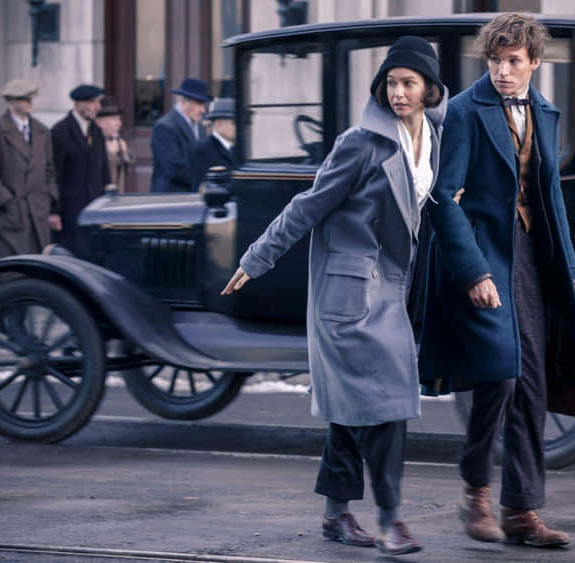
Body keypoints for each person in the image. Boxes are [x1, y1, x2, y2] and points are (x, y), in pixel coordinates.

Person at [221, 36, 447, 556]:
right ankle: (392, 519)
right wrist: (254, 260)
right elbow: (307, 205)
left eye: (409, 83)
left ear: (430, 90)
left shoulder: (432, 135)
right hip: (347, 297)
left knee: (353, 407)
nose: (398, 92)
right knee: (389, 401)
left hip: (393, 290)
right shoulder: (360, 143)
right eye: (391, 82)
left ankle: (335, 514)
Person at [419, 13, 575, 547]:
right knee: (500, 379)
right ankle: (475, 491)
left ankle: (522, 512)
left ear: (534, 61)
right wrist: (472, 270)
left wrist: (572, 272)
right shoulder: (464, 112)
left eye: (513, 60)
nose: (503, 71)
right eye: (495, 60)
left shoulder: (545, 112)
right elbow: (443, 198)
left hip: (534, 259)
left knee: (533, 384)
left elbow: (551, 195)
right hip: (486, 257)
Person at [0, 79, 61, 264]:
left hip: (38, 211)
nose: (29, 102)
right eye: (23, 99)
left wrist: (50, 202)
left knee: (39, 267)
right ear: (10, 101)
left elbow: (49, 170)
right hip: (10, 214)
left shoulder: (42, 131)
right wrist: (7, 200)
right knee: (13, 269)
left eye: (30, 98)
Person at [51, 84, 111, 256]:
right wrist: (54, 211)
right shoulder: (60, 131)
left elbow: (104, 169)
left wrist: (109, 198)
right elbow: (53, 174)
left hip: (95, 208)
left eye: (98, 102)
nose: (98, 107)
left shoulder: (96, 131)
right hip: (70, 210)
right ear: (78, 104)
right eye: (93, 102)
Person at [150, 78, 210, 192]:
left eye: (204, 104)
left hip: (195, 196)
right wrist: (204, 180)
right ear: (184, 101)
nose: (203, 110)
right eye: (199, 104)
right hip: (171, 199)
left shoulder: (201, 127)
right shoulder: (164, 127)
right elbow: (175, 168)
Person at [188, 97, 235, 191]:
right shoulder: (203, 150)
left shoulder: (238, 149)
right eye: (233, 123)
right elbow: (200, 187)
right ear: (218, 124)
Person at [95, 96, 134, 193]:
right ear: (100, 122)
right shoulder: (93, 141)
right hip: (100, 196)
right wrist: (110, 153)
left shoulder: (118, 139)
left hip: (118, 194)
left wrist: (125, 154)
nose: (119, 123)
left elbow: (131, 160)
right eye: (114, 119)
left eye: (119, 119)